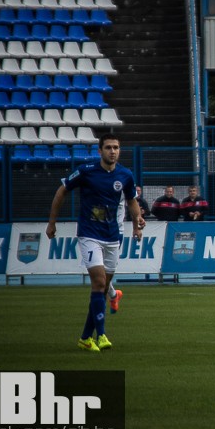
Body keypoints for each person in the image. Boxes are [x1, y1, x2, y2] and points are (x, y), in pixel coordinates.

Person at [46, 133, 144, 353]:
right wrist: (52, 223)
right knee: (99, 283)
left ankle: (84, 338)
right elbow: (61, 191)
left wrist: (137, 225)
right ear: (100, 151)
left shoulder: (125, 175)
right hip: (90, 234)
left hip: (113, 237)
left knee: (100, 290)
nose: (113, 151)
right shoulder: (86, 171)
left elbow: (131, 201)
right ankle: (101, 335)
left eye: (116, 147)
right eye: (108, 147)